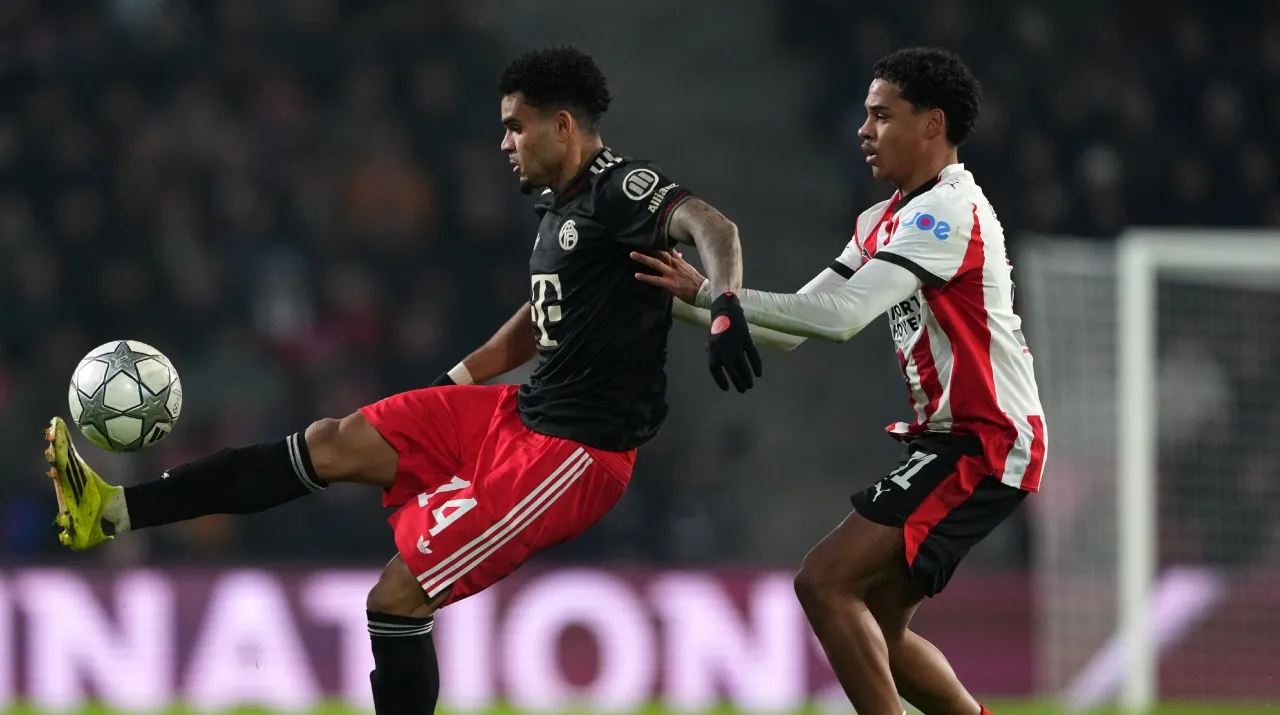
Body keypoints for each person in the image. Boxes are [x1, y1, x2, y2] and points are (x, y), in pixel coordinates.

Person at [43, 45, 762, 715]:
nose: (505, 143)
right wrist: (458, 377)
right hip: (521, 411)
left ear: (563, 125)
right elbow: (543, 314)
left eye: (515, 127)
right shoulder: (559, 209)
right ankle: (111, 511)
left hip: (573, 453)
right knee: (330, 440)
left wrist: (725, 304)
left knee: (394, 599)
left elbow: (713, 224)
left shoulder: (618, 190)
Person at [632, 47, 1045, 715]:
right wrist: (670, 296)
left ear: (932, 124)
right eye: (864, 115)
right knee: (876, 626)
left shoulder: (948, 214)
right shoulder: (883, 220)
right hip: (954, 440)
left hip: (984, 440)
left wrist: (714, 294)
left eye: (882, 115)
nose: (864, 130)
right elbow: (793, 324)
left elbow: (844, 317)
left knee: (823, 582)